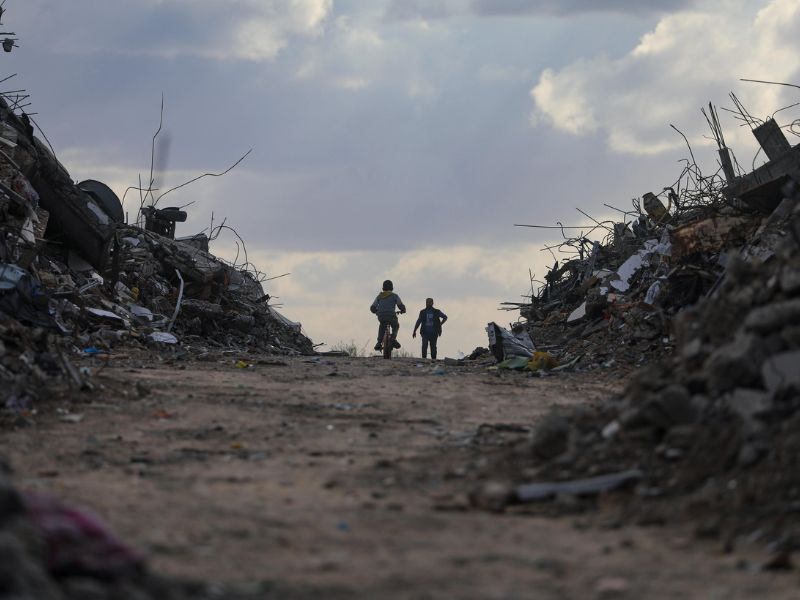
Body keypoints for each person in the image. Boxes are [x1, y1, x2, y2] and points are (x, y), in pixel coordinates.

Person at [370, 280, 406, 351]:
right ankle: (393, 339)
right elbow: (400, 305)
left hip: (381, 316)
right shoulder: (395, 296)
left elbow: (372, 307)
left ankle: (379, 343)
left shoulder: (379, 296)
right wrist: (403, 310)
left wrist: (377, 312)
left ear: (383, 288)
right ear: (392, 288)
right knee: (396, 326)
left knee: (382, 326)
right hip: (391, 315)